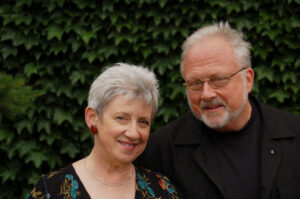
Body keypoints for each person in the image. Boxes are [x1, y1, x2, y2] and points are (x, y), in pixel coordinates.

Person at [135, 22, 300, 199]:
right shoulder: (161, 151)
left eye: (218, 79)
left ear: (248, 79)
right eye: (195, 83)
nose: (206, 94)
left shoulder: (295, 135)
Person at [28, 63, 182, 199]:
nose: (133, 133)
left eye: (143, 122)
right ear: (92, 118)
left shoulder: (162, 190)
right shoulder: (51, 190)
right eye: (122, 118)